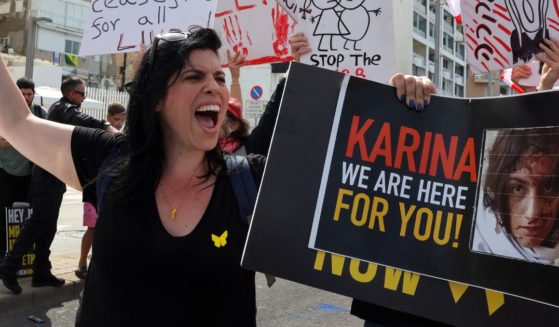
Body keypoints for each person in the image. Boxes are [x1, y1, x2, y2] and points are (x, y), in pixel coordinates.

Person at [0, 27, 433, 324]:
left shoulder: (251, 182)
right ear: (155, 98)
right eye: (195, 76)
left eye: (219, 77)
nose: (215, 87)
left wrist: (408, 114)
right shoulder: (107, 160)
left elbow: (382, 200)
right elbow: (16, 122)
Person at [0, 76, 113, 295]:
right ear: (71, 94)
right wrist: (104, 124)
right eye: (81, 93)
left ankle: (41, 271)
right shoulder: (63, 107)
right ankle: (9, 267)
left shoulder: (62, 109)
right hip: (47, 172)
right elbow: (78, 118)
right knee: (39, 220)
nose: (84, 97)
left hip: (56, 172)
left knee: (48, 224)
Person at [473, 127, 559, 265]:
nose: (532, 214)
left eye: (549, 187)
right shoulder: (473, 234)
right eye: (518, 188)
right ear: (497, 190)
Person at [76, 102, 126, 279]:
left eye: (122, 120)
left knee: (107, 229)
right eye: (116, 119)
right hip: (93, 190)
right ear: (108, 117)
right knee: (92, 228)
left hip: (110, 190)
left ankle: (99, 265)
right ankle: (82, 263)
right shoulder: (100, 136)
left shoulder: (121, 138)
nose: (119, 124)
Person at [0, 78, 46, 258]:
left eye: (29, 94)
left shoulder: (39, 113)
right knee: (4, 216)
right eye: (22, 93)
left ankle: (20, 256)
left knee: (24, 217)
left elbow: (46, 139)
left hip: (30, 174)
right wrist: (20, 138)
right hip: (5, 172)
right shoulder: (4, 112)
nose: (26, 97)